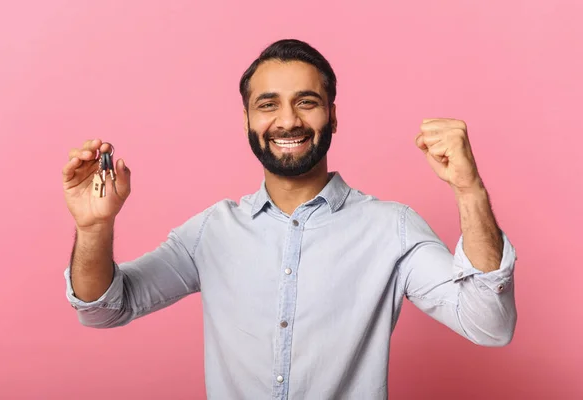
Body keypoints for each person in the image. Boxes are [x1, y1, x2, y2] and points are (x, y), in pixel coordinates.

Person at [62, 39, 517, 399]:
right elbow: (103, 309)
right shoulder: (210, 232)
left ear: (332, 116)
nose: (287, 121)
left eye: (306, 102)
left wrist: (468, 189)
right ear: (246, 120)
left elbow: (489, 324)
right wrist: (93, 228)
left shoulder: (391, 228)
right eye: (267, 104)